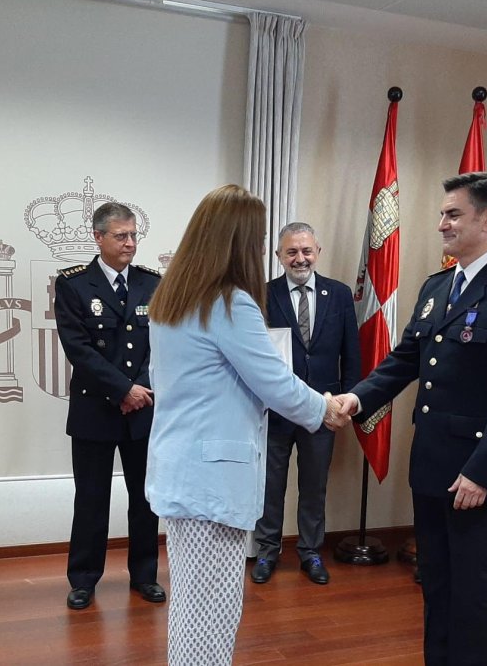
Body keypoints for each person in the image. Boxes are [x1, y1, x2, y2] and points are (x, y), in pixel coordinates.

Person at [336, 172, 487, 665]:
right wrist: (357, 399)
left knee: (473, 592)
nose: (441, 224)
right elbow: (406, 359)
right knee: (435, 582)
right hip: (433, 466)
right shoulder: (440, 286)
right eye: (442, 214)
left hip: (476, 474)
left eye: (452, 214)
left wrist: (482, 470)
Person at [145, 185, 346, 665]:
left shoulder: (173, 297)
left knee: (198, 606)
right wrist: (325, 408)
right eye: (256, 241)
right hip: (213, 477)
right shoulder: (229, 303)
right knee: (210, 609)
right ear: (236, 243)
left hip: (184, 470)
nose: (261, 251)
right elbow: (275, 383)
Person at [53, 202, 166, 610]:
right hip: (95, 410)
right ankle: (83, 579)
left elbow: (164, 346)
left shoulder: (152, 283)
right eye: (121, 236)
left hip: (144, 408)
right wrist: (123, 390)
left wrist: (142, 389)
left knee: (145, 497)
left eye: (134, 235)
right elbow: (79, 349)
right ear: (98, 237)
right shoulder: (74, 284)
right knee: (91, 498)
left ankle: (145, 575)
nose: (130, 243)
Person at [250, 222, 361, 586]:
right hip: (276, 411)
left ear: (318, 252)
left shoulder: (340, 294)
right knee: (271, 485)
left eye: (306, 251)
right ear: (279, 256)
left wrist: (348, 400)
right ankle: (267, 551)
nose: (300, 258)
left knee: (314, 486)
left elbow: (351, 353)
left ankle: (311, 552)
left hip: (323, 410)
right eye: (292, 252)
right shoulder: (262, 295)